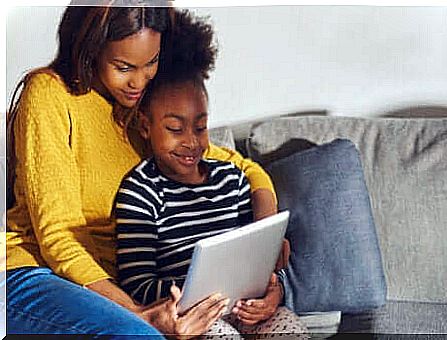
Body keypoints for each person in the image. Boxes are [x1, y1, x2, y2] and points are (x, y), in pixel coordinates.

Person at [5, 3, 278, 337]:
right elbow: (57, 236)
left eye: (151, 63)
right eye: (123, 66)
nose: (138, 81)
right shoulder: (49, 94)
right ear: (91, 49)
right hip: (33, 273)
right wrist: (137, 313)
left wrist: (268, 233)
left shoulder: (141, 111)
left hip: (110, 288)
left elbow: (246, 168)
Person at [113, 10, 308, 339]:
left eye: (201, 127)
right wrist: (196, 291)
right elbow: (136, 284)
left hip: (247, 309)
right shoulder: (141, 191)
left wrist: (274, 293)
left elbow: (261, 259)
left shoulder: (230, 179)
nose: (191, 141)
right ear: (145, 126)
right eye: (175, 128)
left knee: (289, 327)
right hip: (194, 319)